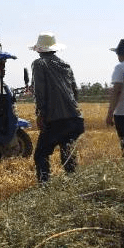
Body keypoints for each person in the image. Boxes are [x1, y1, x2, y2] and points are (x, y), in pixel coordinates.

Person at [29, 32, 85, 184]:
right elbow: (74, 91)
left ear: (39, 49)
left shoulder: (39, 64)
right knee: (68, 154)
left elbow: (40, 92)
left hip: (56, 119)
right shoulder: (65, 65)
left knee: (40, 154)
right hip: (75, 118)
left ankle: (45, 187)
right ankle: (74, 184)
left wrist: (41, 114)